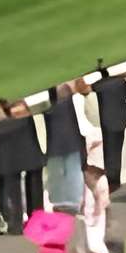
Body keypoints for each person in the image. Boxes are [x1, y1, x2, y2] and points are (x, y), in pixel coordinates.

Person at [0, 98, 41, 231]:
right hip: (25, 158)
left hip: (12, 162)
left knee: (15, 193)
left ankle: (17, 224)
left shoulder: (4, 123)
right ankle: (31, 221)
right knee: (30, 190)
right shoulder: (21, 114)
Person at [42, 81, 87, 211]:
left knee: (64, 173)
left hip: (62, 148)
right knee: (69, 173)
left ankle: (56, 92)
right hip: (68, 146)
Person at [91, 63, 126, 187]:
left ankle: (112, 180)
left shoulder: (99, 85)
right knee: (117, 150)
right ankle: (115, 178)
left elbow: (90, 89)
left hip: (108, 122)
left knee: (110, 152)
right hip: (120, 120)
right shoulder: (121, 82)